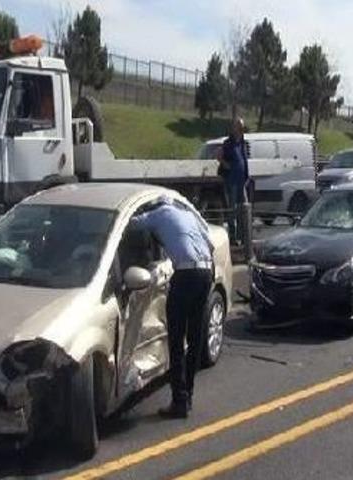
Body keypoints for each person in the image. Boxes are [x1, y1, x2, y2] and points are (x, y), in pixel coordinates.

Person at [129, 196, 214, 419]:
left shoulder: (158, 214)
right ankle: (188, 396)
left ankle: (179, 402)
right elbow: (210, 242)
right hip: (206, 272)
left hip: (185, 275)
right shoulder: (188, 215)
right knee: (195, 338)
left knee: (176, 340)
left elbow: (131, 224)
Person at [217, 118, 249, 246]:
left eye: (241, 127)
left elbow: (244, 159)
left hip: (242, 181)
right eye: (238, 126)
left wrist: (246, 176)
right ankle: (233, 237)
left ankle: (243, 236)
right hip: (232, 181)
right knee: (232, 210)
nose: (240, 129)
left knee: (244, 208)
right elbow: (219, 156)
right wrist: (226, 164)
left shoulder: (242, 143)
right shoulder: (228, 143)